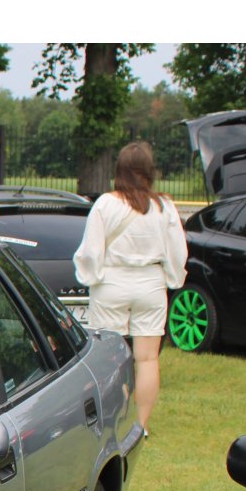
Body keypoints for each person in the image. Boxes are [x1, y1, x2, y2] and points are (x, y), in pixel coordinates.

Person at [74, 141, 188, 434]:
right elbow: (178, 251)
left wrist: (91, 275)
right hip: (150, 283)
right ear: (150, 171)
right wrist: (174, 278)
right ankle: (141, 425)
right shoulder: (164, 207)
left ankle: (113, 424)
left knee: (111, 357)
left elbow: (90, 250)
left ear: (119, 170)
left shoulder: (106, 204)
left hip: (112, 281)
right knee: (147, 358)